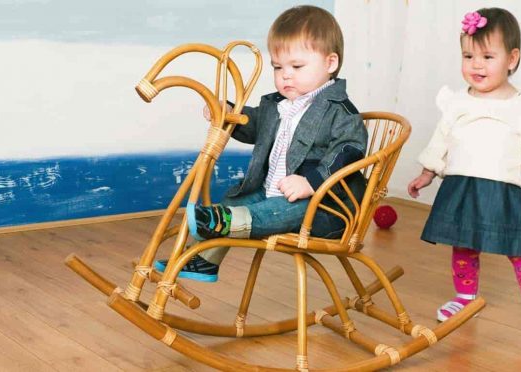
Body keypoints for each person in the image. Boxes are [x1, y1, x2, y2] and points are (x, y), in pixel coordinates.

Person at [155, 5, 367, 282]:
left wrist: (311, 182)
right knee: (237, 198)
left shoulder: (340, 112)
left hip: (321, 207)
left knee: (284, 208)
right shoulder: (278, 105)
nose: (285, 75)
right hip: (272, 190)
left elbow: (349, 151)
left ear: (330, 63)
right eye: (278, 67)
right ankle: (206, 259)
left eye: (297, 66)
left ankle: (224, 223)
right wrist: (229, 111)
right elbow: (253, 126)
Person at [407, 8, 521, 341]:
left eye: (487, 56)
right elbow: (441, 142)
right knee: (464, 246)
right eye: (468, 55)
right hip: (462, 186)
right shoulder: (455, 103)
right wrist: (427, 173)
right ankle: (465, 296)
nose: (476, 64)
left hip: (507, 191)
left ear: (512, 59)